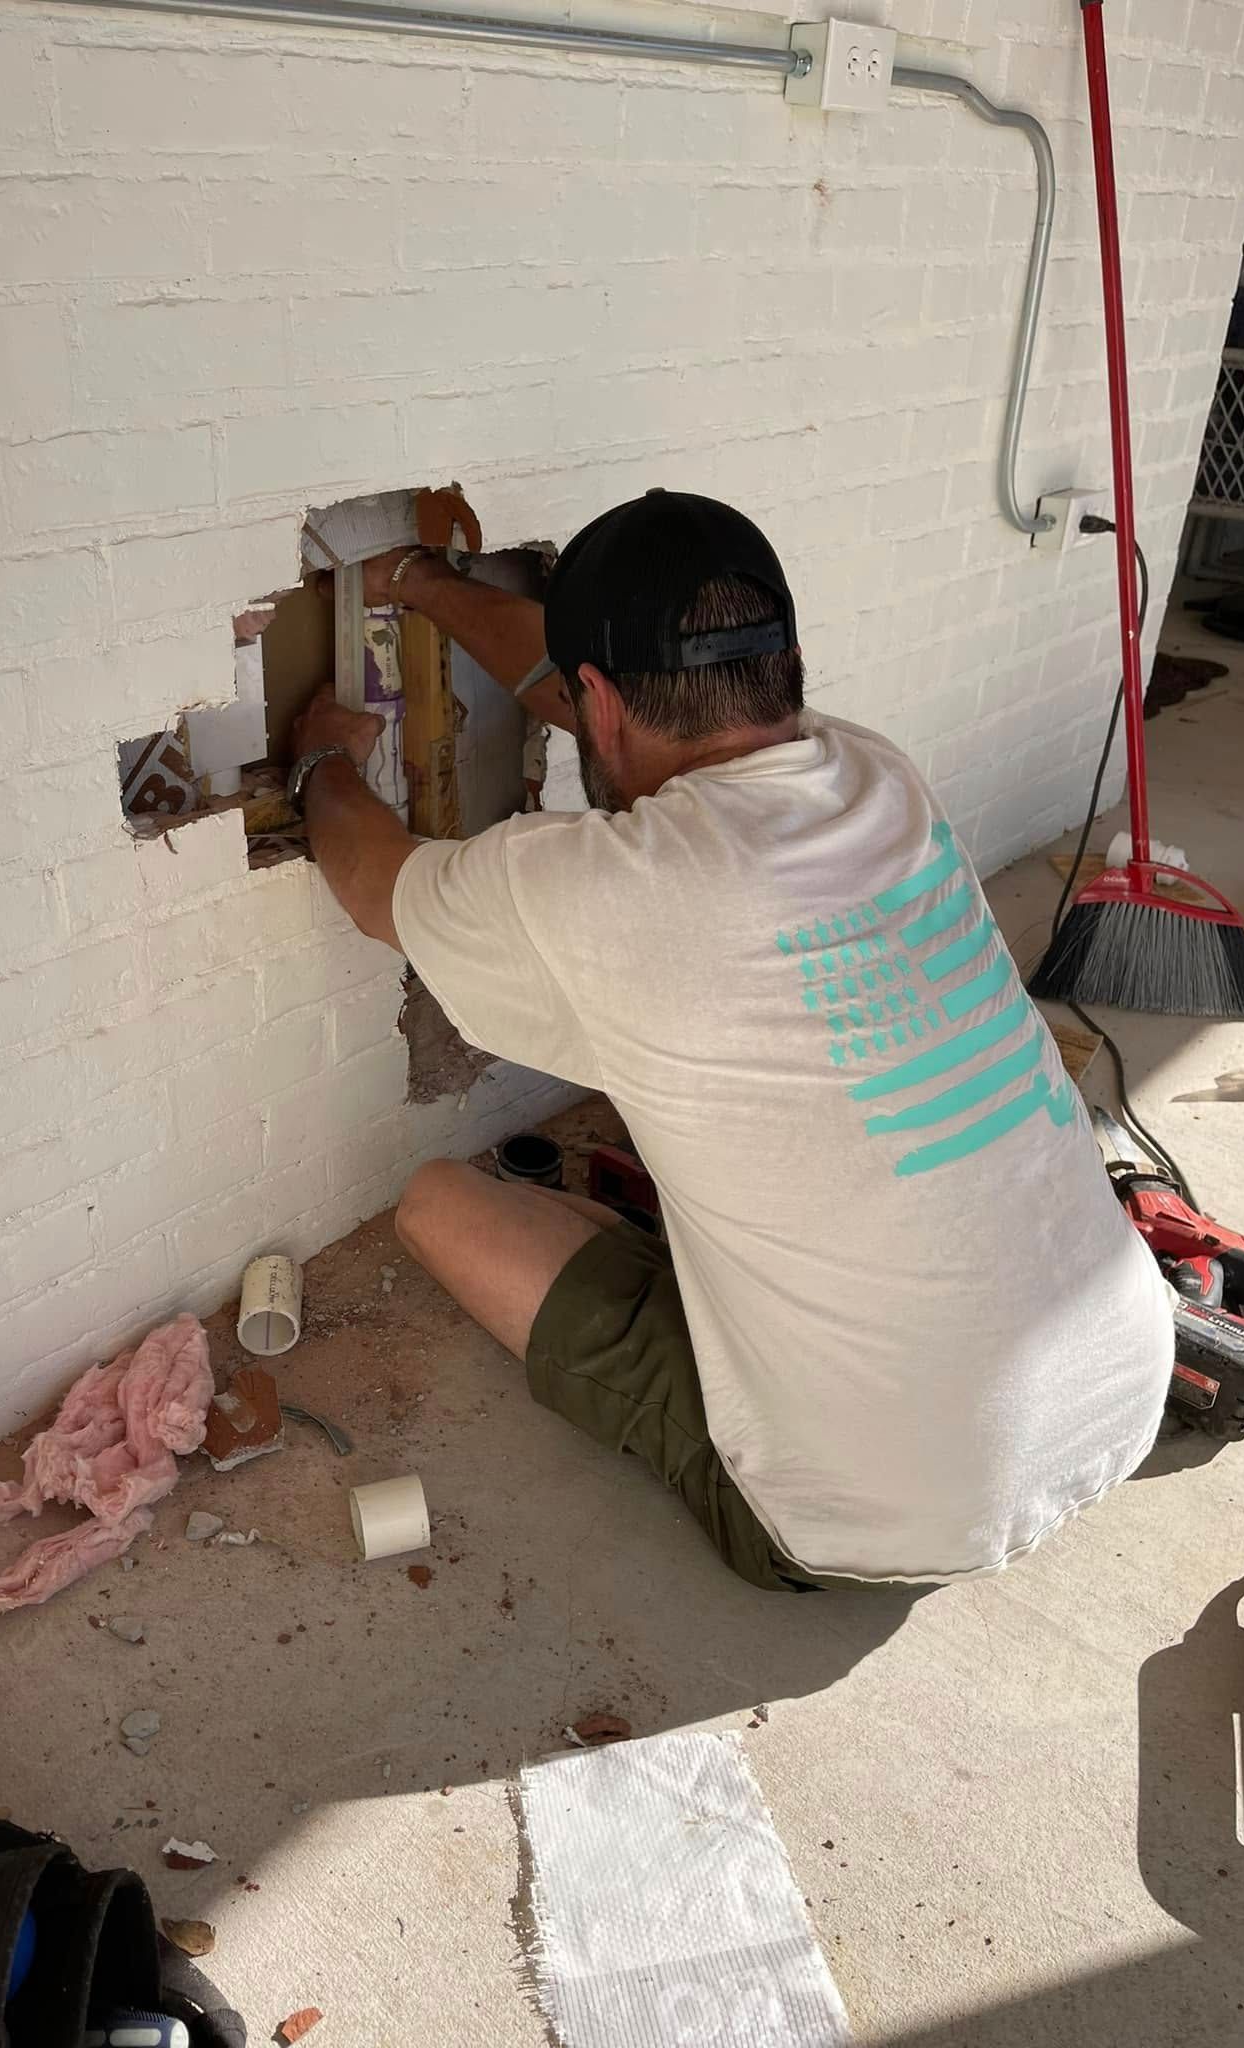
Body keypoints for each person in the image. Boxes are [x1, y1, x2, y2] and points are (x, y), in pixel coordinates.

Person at [287, 489, 1173, 1590]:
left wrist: (319, 759)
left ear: (596, 699)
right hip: (1122, 1378)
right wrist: (419, 584)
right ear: (787, 661)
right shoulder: (876, 773)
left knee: (442, 1204)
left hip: (889, 1513)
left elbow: (376, 886)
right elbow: (578, 694)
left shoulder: (608, 893)